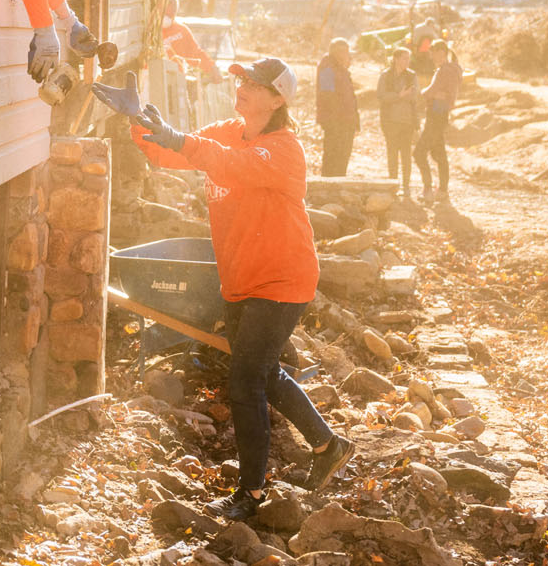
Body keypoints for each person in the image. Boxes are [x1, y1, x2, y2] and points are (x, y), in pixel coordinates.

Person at [90, 59, 355, 522]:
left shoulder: (285, 149)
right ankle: (329, 446)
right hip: (240, 277)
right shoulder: (228, 130)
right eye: (241, 80)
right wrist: (139, 120)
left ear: (278, 100)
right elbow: (171, 153)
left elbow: (226, 164)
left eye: (255, 84)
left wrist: (181, 138)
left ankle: (250, 494)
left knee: (245, 380)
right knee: (263, 373)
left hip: (282, 278)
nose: (243, 88)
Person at [413, 39, 461, 203]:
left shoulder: (444, 70)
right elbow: (437, 92)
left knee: (419, 153)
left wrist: (422, 94)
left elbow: (430, 91)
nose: (431, 57)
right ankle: (443, 191)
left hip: (436, 115)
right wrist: (434, 94)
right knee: (439, 153)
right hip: (440, 115)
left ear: (441, 52)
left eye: (432, 53)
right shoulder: (451, 69)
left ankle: (428, 190)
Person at [376, 46, 420, 195]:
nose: (407, 61)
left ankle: (406, 186)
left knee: (406, 155)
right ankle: (393, 185)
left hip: (407, 121)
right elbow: (381, 96)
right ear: (396, 59)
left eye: (408, 58)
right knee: (392, 154)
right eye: (404, 58)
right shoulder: (386, 76)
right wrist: (399, 96)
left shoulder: (411, 76)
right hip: (390, 121)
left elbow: (415, 96)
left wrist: (395, 97)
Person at [315, 38, 359, 176]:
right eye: (345, 52)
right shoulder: (327, 68)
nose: (348, 56)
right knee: (333, 158)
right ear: (338, 53)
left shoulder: (341, 69)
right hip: (336, 122)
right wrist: (334, 121)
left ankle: (338, 186)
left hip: (345, 122)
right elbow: (327, 96)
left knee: (342, 158)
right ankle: (329, 189)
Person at [161, 0, 223, 80]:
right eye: (165, 14)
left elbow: (196, 53)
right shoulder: (149, 33)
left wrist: (212, 67)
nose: (168, 18)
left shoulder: (182, 30)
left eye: (171, 14)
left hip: (178, 79)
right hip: (156, 79)